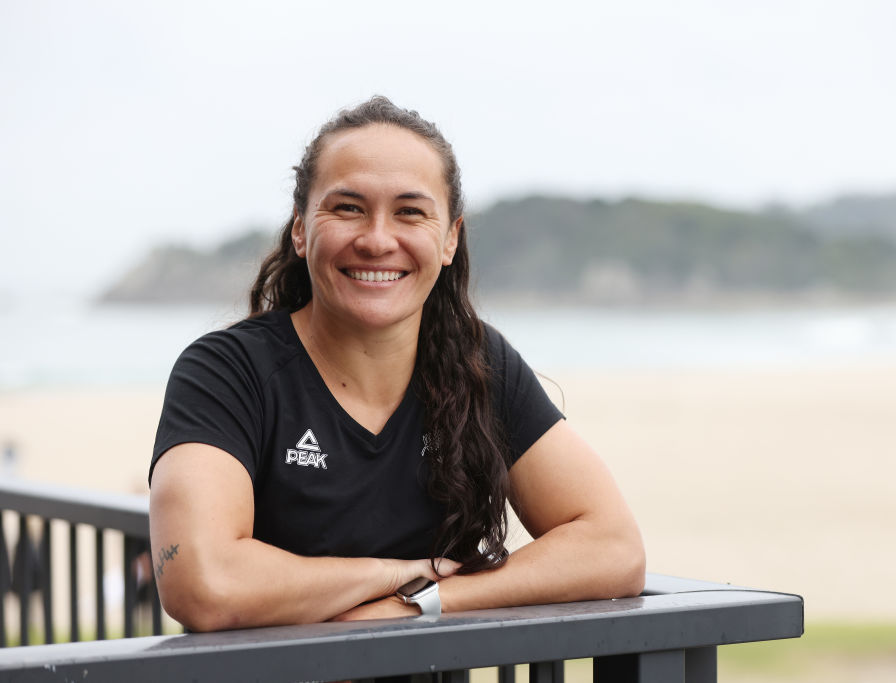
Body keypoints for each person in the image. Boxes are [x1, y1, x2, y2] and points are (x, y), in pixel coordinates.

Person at [148, 96, 645, 631]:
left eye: (410, 211)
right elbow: (204, 582)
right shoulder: (228, 371)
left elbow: (614, 546)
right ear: (300, 230)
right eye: (347, 208)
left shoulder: (479, 365)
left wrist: (422, 602)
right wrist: (395, 575)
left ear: (450, 238)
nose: (378, 240)